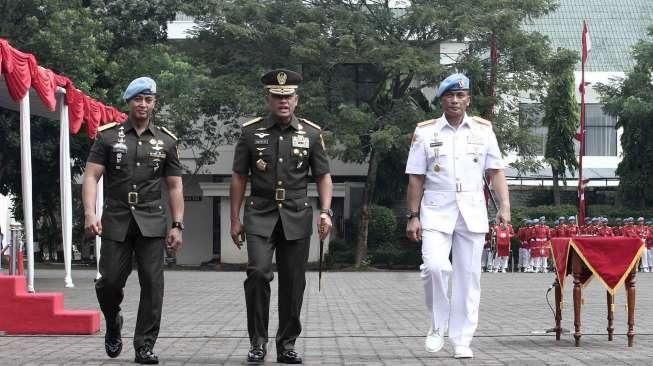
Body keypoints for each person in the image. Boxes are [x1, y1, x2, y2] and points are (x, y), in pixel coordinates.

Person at [230, 69, 333, 364]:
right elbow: (238, 177)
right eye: (277, 96)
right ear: (268, 99)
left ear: (296, 100)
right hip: (260, 214)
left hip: (296, 215)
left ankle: (286, 344)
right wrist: (234, 219)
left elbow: (324, 176)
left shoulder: (311, 134)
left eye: (288, 96)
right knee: (258, 273)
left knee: (293, 282)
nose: (283, 101)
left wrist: (325, 211)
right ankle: (258, 342)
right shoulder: (251, 132)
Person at [405, 73, 510, 359]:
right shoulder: (426, 132)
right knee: (435, 268)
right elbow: (415, 177)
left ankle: (462, 338)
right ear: (441, 100)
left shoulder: (483, 130)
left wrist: (504, 207)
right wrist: (412, 215)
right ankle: (437, 326)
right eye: (449, 96)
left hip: (472, 210)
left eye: (460, 95)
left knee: (468, 277)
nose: (455, 100)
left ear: (468, 99)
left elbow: (496, 171)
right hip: (436, 211)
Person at [82, 77, 184, 365]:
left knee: (153, 284)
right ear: (128, 102)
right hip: (116, 219)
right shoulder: (107, 136)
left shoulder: (166, 140)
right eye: (138, 99)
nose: (143, 104)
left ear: (154, 103)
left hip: (152, 221)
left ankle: (144, 346)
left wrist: (178, 224)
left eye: (148, 99)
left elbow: (175, 186)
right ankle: (113, 321)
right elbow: (91, 176)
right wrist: (90, 213)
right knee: (110, 282)